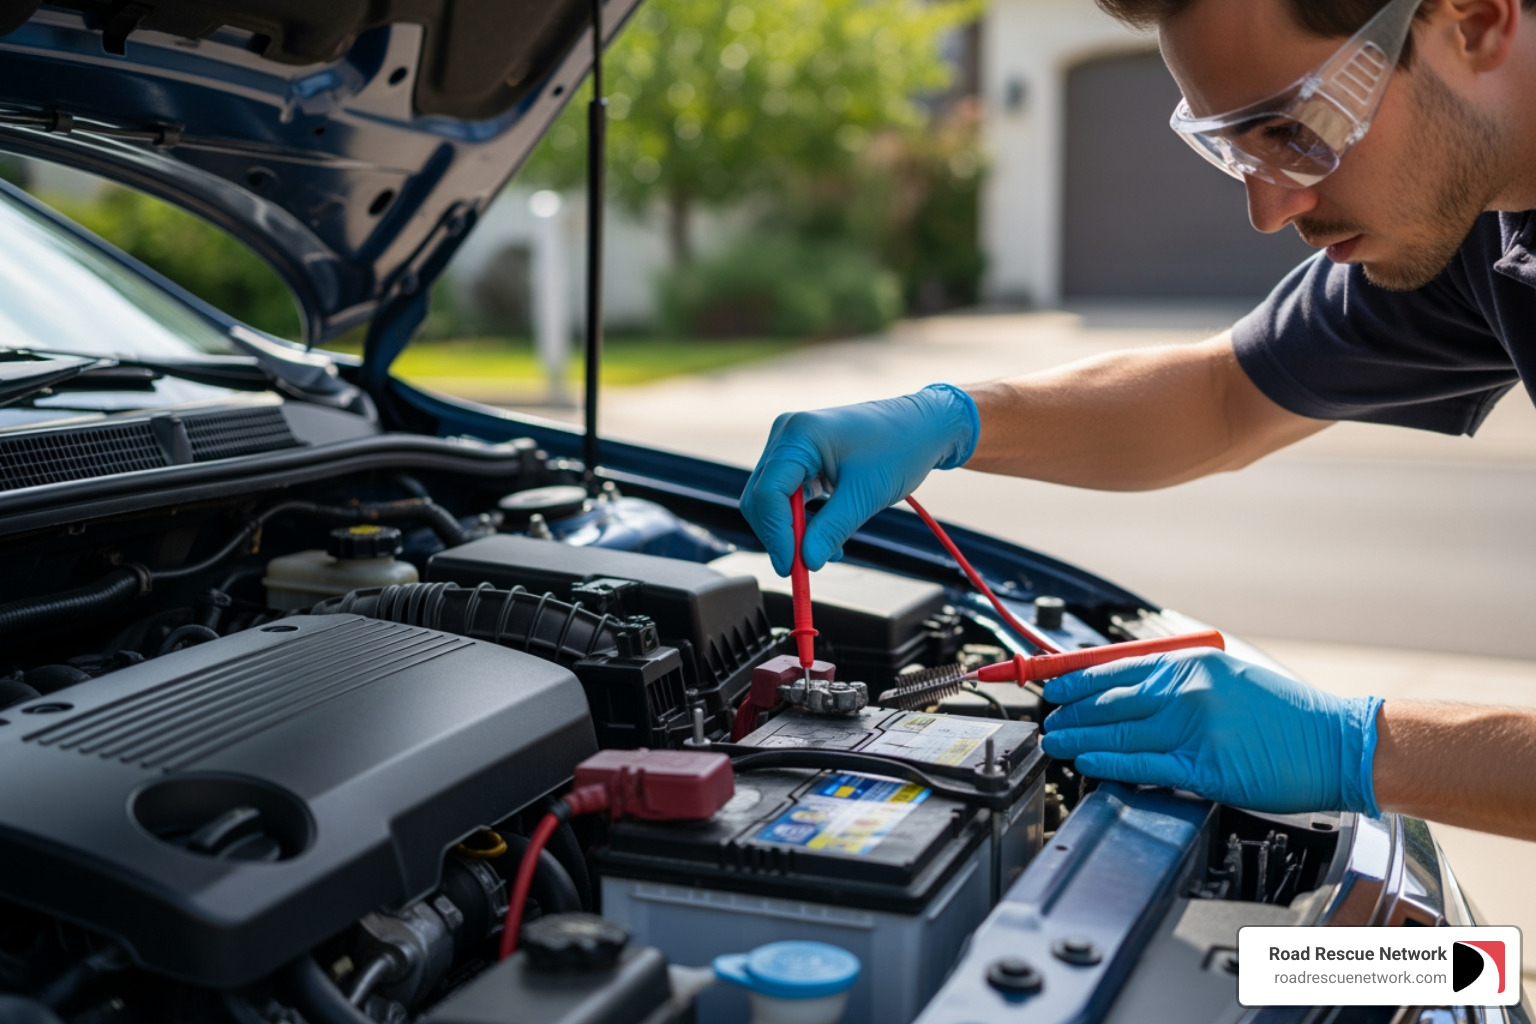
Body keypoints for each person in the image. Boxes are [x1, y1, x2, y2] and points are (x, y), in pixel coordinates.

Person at [741, 0, 1536, 842]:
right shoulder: (1473, 227)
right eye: (1235, 148)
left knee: (1431, 977)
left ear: (1476, 20)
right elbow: (1226, 396)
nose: (1270, 212)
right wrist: (952, 420)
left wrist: (1363, 749)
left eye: (1299, 130)